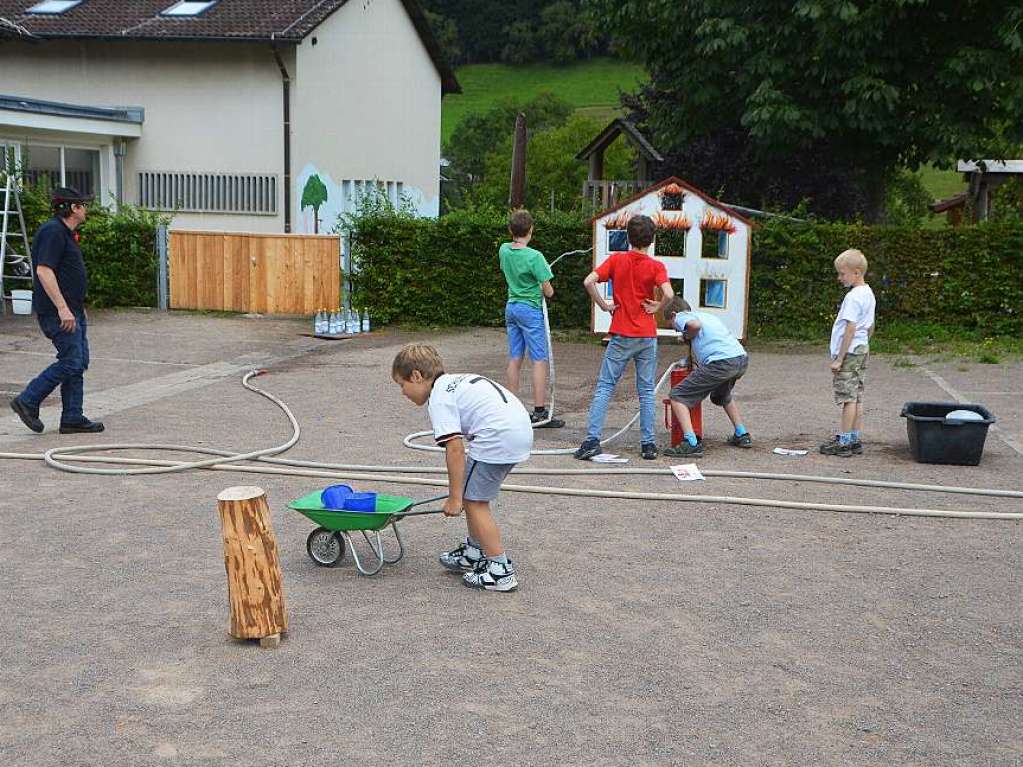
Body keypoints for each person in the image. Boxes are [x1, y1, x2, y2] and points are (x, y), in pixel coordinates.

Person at [392, 343, 532, 592]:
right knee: (472, 495)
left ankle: (500, 570)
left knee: (474, 501)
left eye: (402, 385)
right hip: (516, 430)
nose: (403, 392)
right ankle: (475, 552)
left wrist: (455, 498)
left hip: (498, 436)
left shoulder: (439, 399)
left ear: (416, 375)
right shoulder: (452, 382)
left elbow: (455, 449)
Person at [574, 214, 672, 461]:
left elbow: (588, 281)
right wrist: (658, 306)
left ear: (628, 237)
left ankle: (592, 441)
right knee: (646, 390)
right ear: (651, 240)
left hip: (621, 334)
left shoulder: (616, 260)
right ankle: (648, 445)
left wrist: (604, 306)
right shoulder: (656, 266)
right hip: (647, 335)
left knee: (605, 386)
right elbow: (669, 293)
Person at [9, 186, 104, 435]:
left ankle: (72, 416)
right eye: (83, 205)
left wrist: (77, 308)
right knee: (71, 361)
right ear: (73, 208)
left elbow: (66, 274)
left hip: (72, 311)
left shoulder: (64, 233)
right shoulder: (53, 231)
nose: (86, 209)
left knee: (79, 361)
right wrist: (63, 309)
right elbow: (44, 271)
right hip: (57, 312)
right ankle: (28, 400)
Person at [661, 297, 751, 458]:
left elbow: (694, 326)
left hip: (721, 363)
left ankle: (691, 443)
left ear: (674, 314)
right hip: (740, 359)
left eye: (674, 327)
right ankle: (742, 434)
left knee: (677, 395)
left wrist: (687, 334)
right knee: (721, 396)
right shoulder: (707, 316)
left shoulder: (683, 317)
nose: (677, 331)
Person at [498, 209, 563, 428]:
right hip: (530, 310)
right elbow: (549, 291)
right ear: (531, 230)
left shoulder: (504, 250)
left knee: (515, 357)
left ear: (510, 230)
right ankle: (539, 412)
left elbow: (517, 267)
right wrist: (541, 280)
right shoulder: (536, 257)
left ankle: (512, 410)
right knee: (539, 359)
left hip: (511, 307)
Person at [820, 248, 875, 457]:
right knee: (857, 395)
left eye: (842, 273)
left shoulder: (853, 297)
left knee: (847, 397)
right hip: (862, 349)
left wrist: (840, 358)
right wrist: (865, 344)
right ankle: (853, 437)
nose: (839, 277)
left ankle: (843, 442)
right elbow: (870, 326)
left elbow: (850, 328)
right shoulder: (869, 293)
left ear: (857, 272)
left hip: (850, 352)